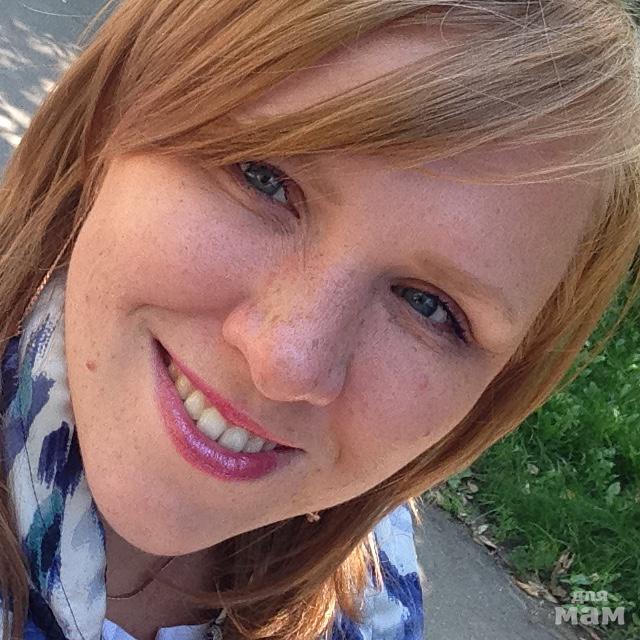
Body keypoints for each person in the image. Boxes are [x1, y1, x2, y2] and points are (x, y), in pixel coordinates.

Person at [1, 0, 639, 638]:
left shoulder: (378, 606)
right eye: (263, 178)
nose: (287, 361)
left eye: (429, 306)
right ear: (112, 116)